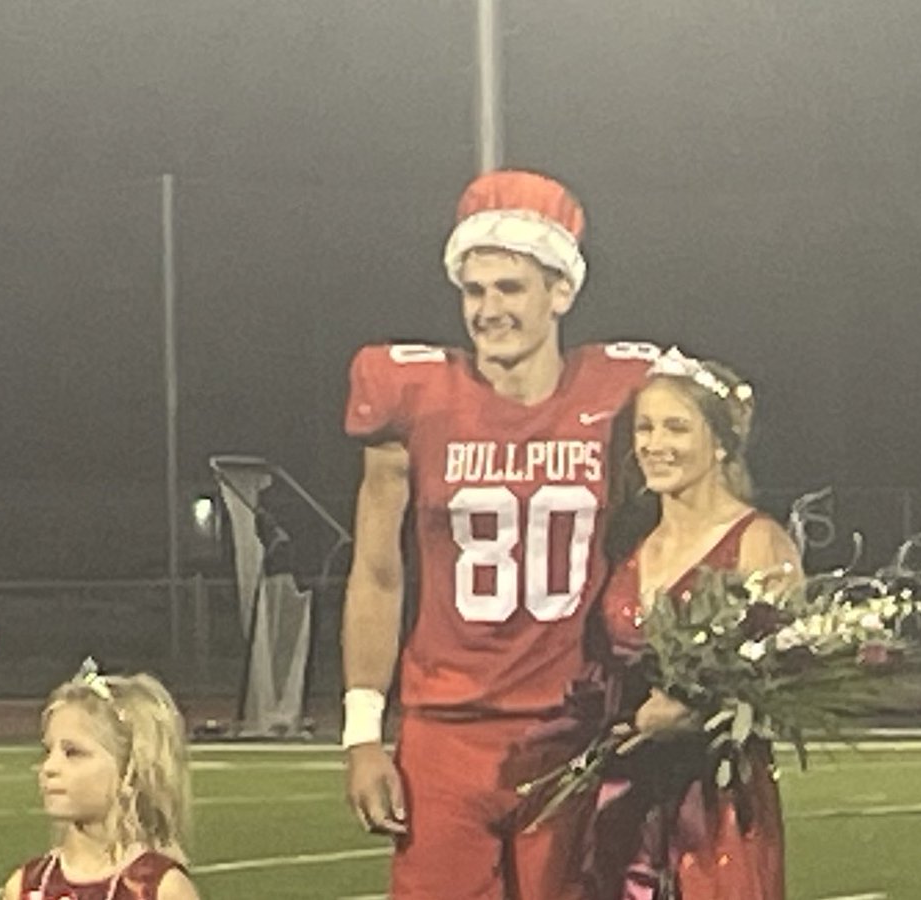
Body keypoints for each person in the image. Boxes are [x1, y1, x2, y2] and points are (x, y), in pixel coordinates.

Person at [341, 169, 656, 899]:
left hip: (572, 728)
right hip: (444, 730)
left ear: (561, 292)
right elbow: (378, 572)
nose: (488, 310)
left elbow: (709, 472)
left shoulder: (621, 392)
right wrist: (363, 732)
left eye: (509, 288)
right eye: (474, 290)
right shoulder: (412, 395)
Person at [590, 347, 802, 900]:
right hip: (621, 795)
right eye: (645, 428)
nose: (655, 445)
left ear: (721, 443)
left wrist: (698, 709)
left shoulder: (757, 541)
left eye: (677, 428)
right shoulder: (627, 546)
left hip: (716, 805)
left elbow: (786, 674)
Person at [0, 660, 199, 900]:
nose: (49, 768)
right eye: (48, 751)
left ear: (129, 769)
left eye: (73, 753)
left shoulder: (158, 889)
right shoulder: (26, 886)